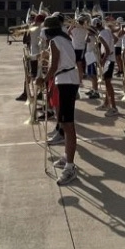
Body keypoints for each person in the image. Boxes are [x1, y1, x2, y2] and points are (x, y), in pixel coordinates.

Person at [43, 17, 81, 185]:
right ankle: (67, 157)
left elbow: (54, 64)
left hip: (66, 80)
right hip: (67, 79)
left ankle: (71, 167)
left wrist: (43, 79)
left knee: (68, 124)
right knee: (65, 123)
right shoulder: (64, 38)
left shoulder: (54, 41)